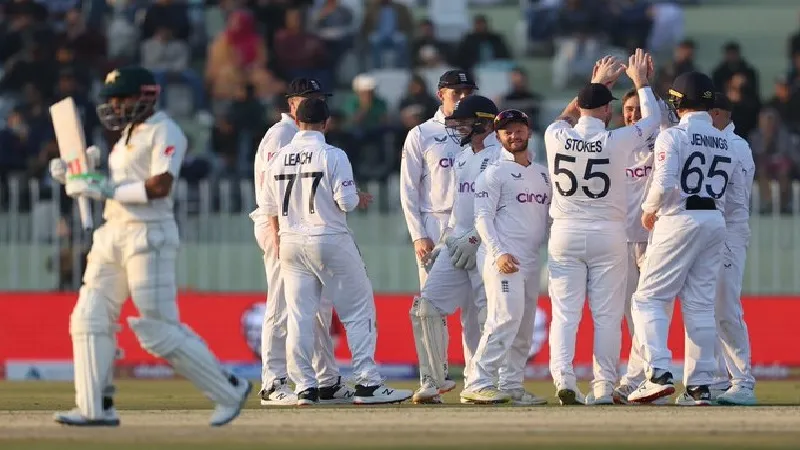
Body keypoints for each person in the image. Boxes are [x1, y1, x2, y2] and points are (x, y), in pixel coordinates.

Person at [50, 66, 250, 427]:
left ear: (145, 96)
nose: (114, 105)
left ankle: (228, 389)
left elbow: (160, 186)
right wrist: (78, 178)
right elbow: (115, 185)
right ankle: (95, 408)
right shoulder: (126, 136)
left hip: (148, 234)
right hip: (112, 232)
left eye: (121, 98)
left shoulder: (165, 130)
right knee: (89, 317)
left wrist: (105, 187)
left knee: (157, 329)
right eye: (111, 99)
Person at [262, 97, 413, 405]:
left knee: (300, 316)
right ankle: (368, 383)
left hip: (290, 239)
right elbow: (346, 202)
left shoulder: (279, 157)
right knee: (359, 310)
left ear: (297, 121)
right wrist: (357, 198)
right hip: (328, 236)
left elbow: (268, 206)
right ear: (326, 123)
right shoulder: (333, 154)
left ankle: (305, 386)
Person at [544, 50, 660, 405]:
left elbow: (564, 116)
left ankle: (563, 377)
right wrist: (640, 83)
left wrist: (594, 85)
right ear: (608, 111)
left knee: (565, 314)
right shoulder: (617, 140)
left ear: (580, 107)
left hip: (563, 233)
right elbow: (653, 120)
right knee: (607, 316)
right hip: (608, 234)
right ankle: (603, 385)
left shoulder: (555, 135)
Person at [628, 71, 735, 406]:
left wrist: (648, 209)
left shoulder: (672, 136)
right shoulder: (725, 140)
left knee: (647, 298)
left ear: (677, 102)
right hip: (714, 219)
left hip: (680, 217)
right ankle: (700, 386)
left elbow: (664, 183)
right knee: (700, 305)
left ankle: (658, 372)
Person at [251, 78, 353, 406]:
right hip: (283, 228)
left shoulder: (300, 136)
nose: (318, 103)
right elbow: (271, 193)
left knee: (317, 309)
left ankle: (326, 380)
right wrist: (278, 232)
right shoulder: (282, 135)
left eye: (320, 97)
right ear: (293, 103)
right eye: (312, 97)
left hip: (301, 228)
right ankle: (273, 380)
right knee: (282, 305)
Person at [409, 95, 501, 404]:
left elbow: (505, 208)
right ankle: (434, 381)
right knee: (426, 307)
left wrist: (475, 238)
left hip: (488, 245)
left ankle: (486, 381)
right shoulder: (462, 158)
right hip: (456, 242)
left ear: (484, 123)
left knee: (488, 314)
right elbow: (458, 210)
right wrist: (445, 239)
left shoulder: (503, 155)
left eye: (463, 122)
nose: (458, 128)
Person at [460, 109, 550, 405]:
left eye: (518, 129)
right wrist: (498, 253)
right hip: (503, 258)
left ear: (529, 130)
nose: (514, 135)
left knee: (523, 326)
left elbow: (547, 219)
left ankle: (511, 383)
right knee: (505, 317)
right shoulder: (494, 173)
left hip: (531, 259)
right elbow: (482, 217)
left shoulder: (542, 174)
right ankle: (478, 381)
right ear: (498, 137)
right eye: (507, 131)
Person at [400, 69, 478, 393]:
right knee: (431, 307)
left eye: (466, 92)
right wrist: (418, 233)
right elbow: (408, 189)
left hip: (472, 223)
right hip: (435, 222)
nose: (461, 98)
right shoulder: (421, 133)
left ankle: (477, 380)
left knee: (475, 308)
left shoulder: (480, 132)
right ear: (440, 94)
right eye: (455, 92)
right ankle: (432, 379)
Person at [614, 80, 680, 405]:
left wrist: (645, 86)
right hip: (623, 241)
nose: (633, 115)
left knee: (651, 310)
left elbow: (665, 121)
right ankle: (638, 378)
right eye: (628, 110)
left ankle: (640, 379)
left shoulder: (662, 141)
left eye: (638, 110)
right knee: (632, 314)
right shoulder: (615, 145)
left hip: (656, 238)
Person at [708, 93, 757, 406]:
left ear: (716, 113)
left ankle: (743, 381)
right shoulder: (716, 142)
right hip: (711, 229)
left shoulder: (735, 145)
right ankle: (712, 381)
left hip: (727, 233)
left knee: (725, 307)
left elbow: (734, 202)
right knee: (704, 309)